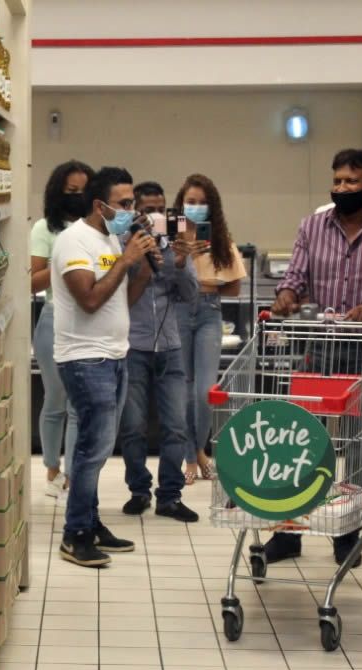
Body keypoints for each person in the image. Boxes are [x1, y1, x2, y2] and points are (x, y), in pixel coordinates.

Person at [265, 148, 362, 567]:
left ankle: (348, 530)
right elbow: (295, 276)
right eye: (337, 181)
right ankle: (288, 530)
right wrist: (286, 296)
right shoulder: (313, 226)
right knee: (300, 436)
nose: (342, 188)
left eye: (351, 181)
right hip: (321, 348)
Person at [52, 166, 156, 568]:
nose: (132, 210)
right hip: (84, 357)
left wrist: (143, 264)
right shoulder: (74, 241)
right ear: (100, 205)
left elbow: (121, 301)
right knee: (91, 450)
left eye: (133, 203)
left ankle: (91, 523)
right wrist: (126, 259)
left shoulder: (112, 237)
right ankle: (74, 534)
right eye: (125, 204)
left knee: (97, 447)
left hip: (114, 354)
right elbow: (90, 300)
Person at [119, 181, 200, 522]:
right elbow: (120, 296)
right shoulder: (123, 246)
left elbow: (191, 295)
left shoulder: (174, 247)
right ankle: (139, 491)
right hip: (133, 345)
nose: (155, 215)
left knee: (176, 425)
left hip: (170, 345)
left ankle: (170, 496)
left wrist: (179, 262)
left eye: (160, 208)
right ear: (136, 212)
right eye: (147, 209)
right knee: (133, 425)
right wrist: (141, 259)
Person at [175, 174, 247, 484]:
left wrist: (198, 282)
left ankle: (198, 450)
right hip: (176, 315)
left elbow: (233, 288)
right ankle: (193, 456)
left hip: (208, 314)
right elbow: (160, 279)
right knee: (182, 390)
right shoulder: (171, 235)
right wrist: (182, 261)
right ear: (180, 204)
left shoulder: (219, 239)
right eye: (190, 202)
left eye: (202, 203)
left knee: (204, 391)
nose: (196, 208)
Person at [30, 160, 93, 502]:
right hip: (54, 319)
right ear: (58, 193)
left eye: (84, 190)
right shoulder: (44, 229)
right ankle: (52, 469)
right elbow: (30, 281)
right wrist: (63, 261)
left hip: (89, 322)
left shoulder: (98, 230)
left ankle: (74, 473)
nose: (78, 197)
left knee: (79, 405)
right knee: (55, 399)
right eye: (71, 191)